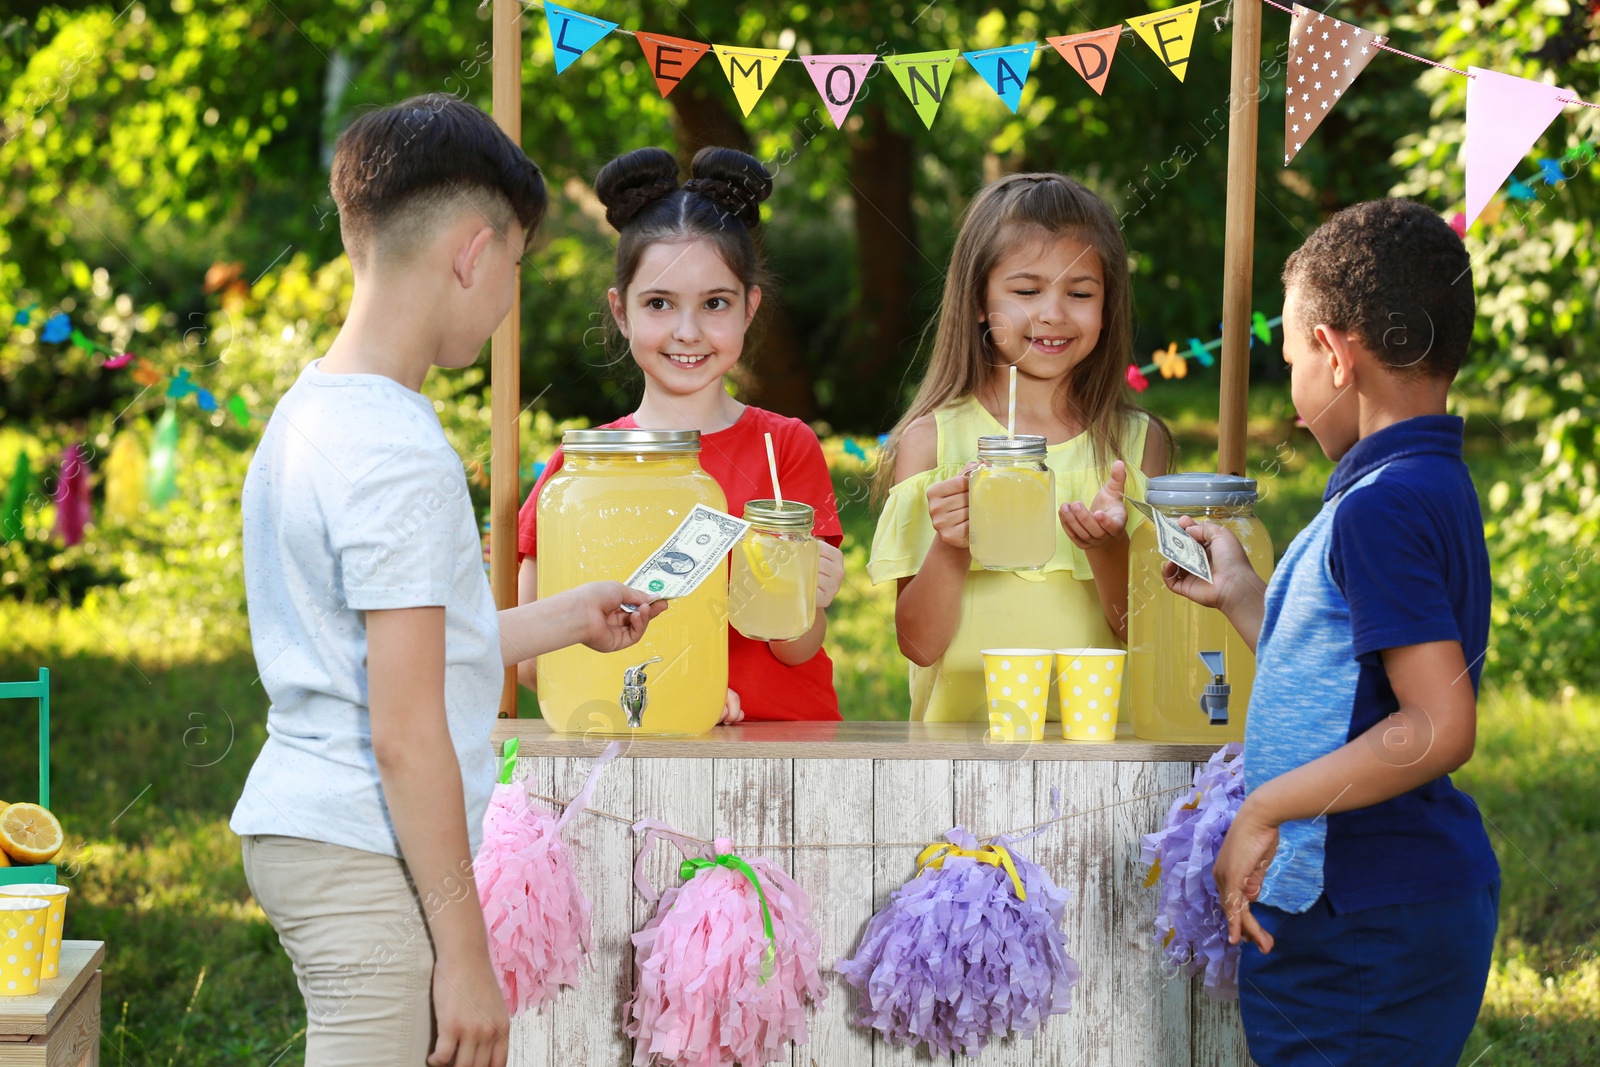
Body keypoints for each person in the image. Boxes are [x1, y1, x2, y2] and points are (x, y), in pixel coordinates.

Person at [230, 95, 666, 1067]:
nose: (508, 290)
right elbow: (406, 724)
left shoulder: (313, 412)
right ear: (474, 253)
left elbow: (390, 648)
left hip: (315, 823)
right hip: (363, 844)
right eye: (513, 264)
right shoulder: (398, 448)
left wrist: (565, 615)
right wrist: (466, 953)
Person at [1164, 198, 1500, 1066]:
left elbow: (1435, 723)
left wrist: (1266, 805)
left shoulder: (1380, 508)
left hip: (1363, 921)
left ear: (1337, 356)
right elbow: (1347, 679)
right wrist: (1247, 596)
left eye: (1291, 364)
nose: (1293, 396)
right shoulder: (1420, 482)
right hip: (1387, 907)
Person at [516, 146, 845, 724]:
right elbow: (532, 660)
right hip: (640, 756)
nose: (687, 332)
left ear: (749, 308)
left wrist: (806, 598)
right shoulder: (582, 470)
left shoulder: (783, 448)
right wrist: (677, 697)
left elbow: (799, 647)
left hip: (785, 755)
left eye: (715, 303)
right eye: (660, 304)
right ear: (622, 312)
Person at [869, 172, 1170, 721]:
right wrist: (952, 546)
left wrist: (1107, 550)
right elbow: (917, 644)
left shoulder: (1135, 445)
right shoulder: (931, 444)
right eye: (1027, 291)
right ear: (980, 301)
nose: (1053, 313)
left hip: (1101, 749)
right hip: (962, 757)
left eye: (1079, 293)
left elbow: (1147, 634)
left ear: (1107, 304)